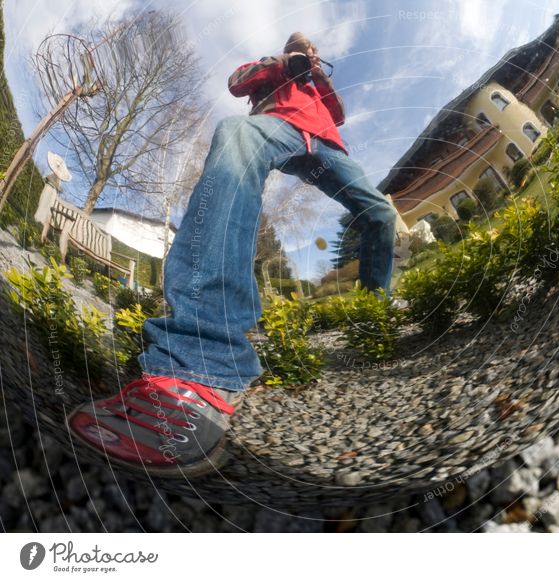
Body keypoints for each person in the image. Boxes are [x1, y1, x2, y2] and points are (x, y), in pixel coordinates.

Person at [67, 32, 398, 477]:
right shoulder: (274, 67)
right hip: (275, 127)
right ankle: (202, 363)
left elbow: (336, 111)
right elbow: (236, 82)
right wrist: (284, 62)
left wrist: (315, 72)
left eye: (312, 50)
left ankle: (375, 310)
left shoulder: (320, 84)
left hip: (325, 146)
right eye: (304, 49)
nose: (309, 55)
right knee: (236, 132)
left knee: (379, 213)